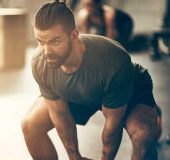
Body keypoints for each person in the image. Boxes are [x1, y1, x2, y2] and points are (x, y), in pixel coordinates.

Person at [21, 0, 161, 159]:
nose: (46, 52)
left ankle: (151, 111)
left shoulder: (114, 62)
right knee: (30, 125)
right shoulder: (40, 62)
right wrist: (75, 157)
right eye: (41, 42)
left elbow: (112, 131)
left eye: (55, 41)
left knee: (143, 138)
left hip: (126, 84)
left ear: (74, 35)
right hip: (79, 90)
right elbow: (60, 113)